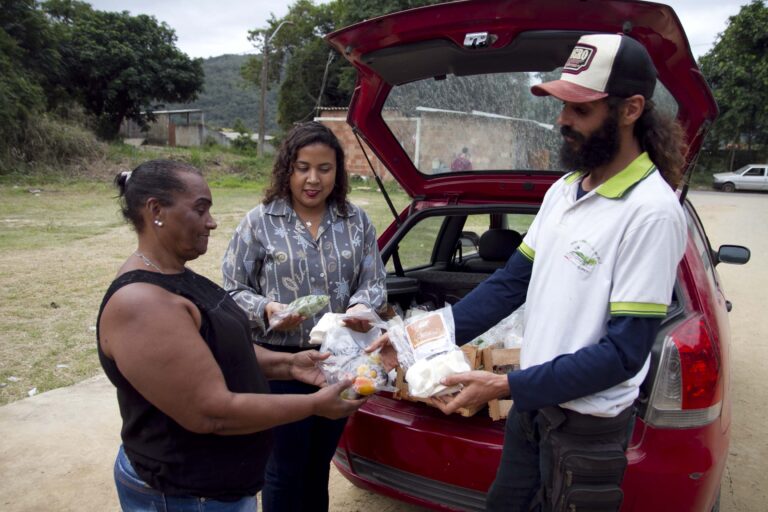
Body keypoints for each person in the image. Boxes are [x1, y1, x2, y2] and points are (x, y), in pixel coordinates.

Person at [372, 33, 688, 511]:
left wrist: (505, 385)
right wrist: (411, 340)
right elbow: (508, 285)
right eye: (562, 105)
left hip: (585, 426)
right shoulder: (563, 191)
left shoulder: (651, 212)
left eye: (580, 109)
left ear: (631, 110)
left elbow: (623, 354)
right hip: (532, 408)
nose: (562, 120)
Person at [98, 159, 365, 511]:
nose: (211, 221)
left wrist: (288, 365)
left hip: (215, 490)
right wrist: (315, 405)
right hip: (183, 495)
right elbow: (213, 413)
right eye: (200, 209)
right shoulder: (143, 304)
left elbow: (215, 350)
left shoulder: (175, 274)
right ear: (156, 210)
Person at [222, 121, 387, 511]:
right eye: (303, 168)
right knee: (283, 469)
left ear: (337, 172)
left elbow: (374, 282)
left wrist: (361, 306)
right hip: (279, 367)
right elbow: (231, 291)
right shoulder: (259, 222)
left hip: (337, 362)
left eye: (324, 169)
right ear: (287, 169)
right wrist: (266, 309)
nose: (313, 179)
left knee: (317, 465)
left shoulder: (356, 221)